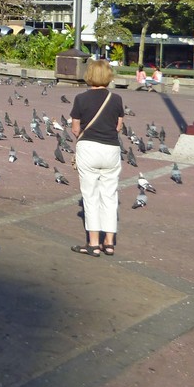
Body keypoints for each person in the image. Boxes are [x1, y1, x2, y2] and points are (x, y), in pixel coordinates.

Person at [69, 59, 126, 257]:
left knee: (90, 196)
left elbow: (75, 128)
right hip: (111, 149)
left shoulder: (80, 99)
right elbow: (119, 126)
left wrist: (85, 136)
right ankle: (109, 242)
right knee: (110, 196)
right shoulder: (116, 99)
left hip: (89, 149)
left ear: (89, 76)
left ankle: (93, 243)